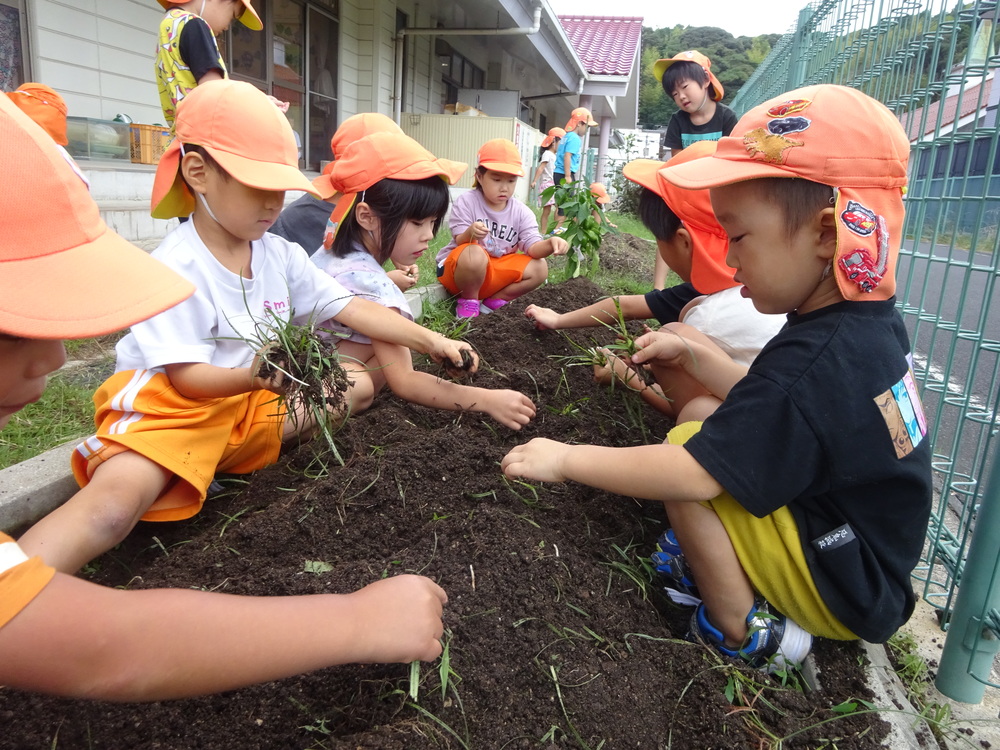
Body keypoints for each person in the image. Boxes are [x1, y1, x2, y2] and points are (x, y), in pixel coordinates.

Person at [0, 91, 447, 701]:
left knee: (356, 386)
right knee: (113, 508)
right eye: (256, 185)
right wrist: (256, 377)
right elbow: (186, 379)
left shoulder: (279, 255)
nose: (273, 202)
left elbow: (348, 306)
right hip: (176, 408)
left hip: (243, 402)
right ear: (198, 170)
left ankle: (223, 459)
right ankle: (26, 582)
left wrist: (429, 337)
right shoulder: (178, 264)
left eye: (279, 189)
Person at [503, 84, 931, 674]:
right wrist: (696, 358)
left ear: (827, 234)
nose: (728, 263)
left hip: (846, 584)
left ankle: (745, 631)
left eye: (739, 236)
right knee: (706, 417)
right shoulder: (858, 325)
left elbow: (694, 473)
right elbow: (772, 404)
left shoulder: (820, 355)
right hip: (858, 553)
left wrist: (564, 458)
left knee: (687, 452)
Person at [526, 143, 784, 419]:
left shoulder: (708, 316)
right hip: (788, 407)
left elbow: (688, 412)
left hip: (762, 429)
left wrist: (630, 379)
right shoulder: (756, 287)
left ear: (683, 241)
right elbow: (626, 306)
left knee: (676, 340)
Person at [311, 131, 537, 429]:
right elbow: (406, 381)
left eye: (433, 222)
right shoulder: (373, 286)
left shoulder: (334, 251)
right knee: (364, 383)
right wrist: (486, 400)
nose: (429, 235)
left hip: (305, 364)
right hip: (316, 385)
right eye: (417, 223)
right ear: (366, 217)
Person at [437, 138, 569, 318]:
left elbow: (533, 248)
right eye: (497, 179)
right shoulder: (467, 202)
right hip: (460, 275)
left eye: (511, 181)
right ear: (479, 176)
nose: (504, 188)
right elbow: (460, 240)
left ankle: (495, 300)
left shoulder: (521, 212)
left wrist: (550, 243)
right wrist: (470, 233)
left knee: (540, 268)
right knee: (473, 253)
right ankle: (468, 302)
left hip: (494, 274)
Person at [652, 50, 738, 289]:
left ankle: (717, 281)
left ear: (706, 80)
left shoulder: (727, 117)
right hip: (687, 188)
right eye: (674, 94)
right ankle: (658, 287)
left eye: (684, 87)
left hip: (717, 190)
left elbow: (731, 160)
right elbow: (677, 160)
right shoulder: (678, 121)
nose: (681, 96)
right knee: (668, 229)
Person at [154, 0, 261, 131]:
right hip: (206, 138)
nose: (228, 27)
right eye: (232, 15)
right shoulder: (194, 24)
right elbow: (214, 92)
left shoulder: (169, 24)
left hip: (183, 138)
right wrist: (257, 105)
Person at [551, 107, 598, 235]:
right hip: (564, 173)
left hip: (558, 172)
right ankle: (557, 231)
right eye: (586, 126)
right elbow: (568, 156)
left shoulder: (566, 136)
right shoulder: (575, 139)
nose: (587, 130)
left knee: (561, 203)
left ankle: (556, 229)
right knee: (567, 204)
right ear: (579, 124)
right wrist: (567, 176)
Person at [529, 127, 564, 235]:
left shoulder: (555, 155)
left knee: (559, 208)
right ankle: (543, 232)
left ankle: (556, 229)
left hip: (555, 184)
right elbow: (541, 168)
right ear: (554, 141)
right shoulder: (547, 154)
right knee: (547, 210)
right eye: (560, 142)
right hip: (547, 185)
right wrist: (534, 181)